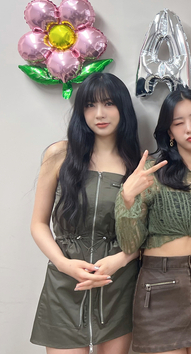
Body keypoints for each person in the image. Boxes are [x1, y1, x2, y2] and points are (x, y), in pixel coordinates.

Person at [30, 73, 141, 354]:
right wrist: (63, 264)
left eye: (108, 103)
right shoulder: (59, 155)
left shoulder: (139, 166)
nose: (99, 113)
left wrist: (119, 260)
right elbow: (38, 224)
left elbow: (147, 234)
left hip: (117, 284)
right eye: (90, 105)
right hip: (65, 283)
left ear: (123, 108)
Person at [115, 86, 191, 354]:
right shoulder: (150, 174)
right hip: (158, 287)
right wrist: (127, 198)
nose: (189, 128)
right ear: (170, 133)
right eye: (178, 122)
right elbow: (130, 244)